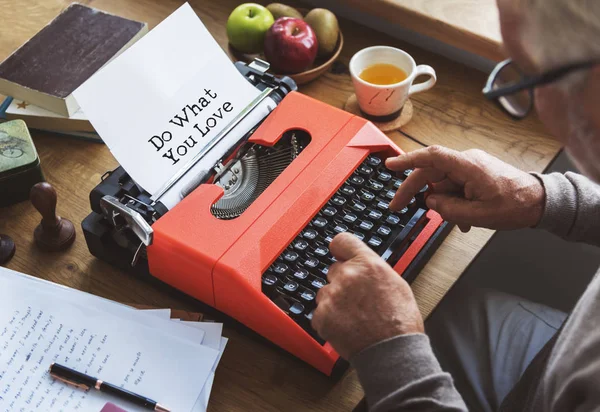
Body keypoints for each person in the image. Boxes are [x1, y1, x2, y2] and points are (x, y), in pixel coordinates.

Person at [311, 0, 600, 410]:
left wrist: (391, 352)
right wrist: (544, 197)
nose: (540, 108)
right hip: (560, 354)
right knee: (459, 307)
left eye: (531, 76)